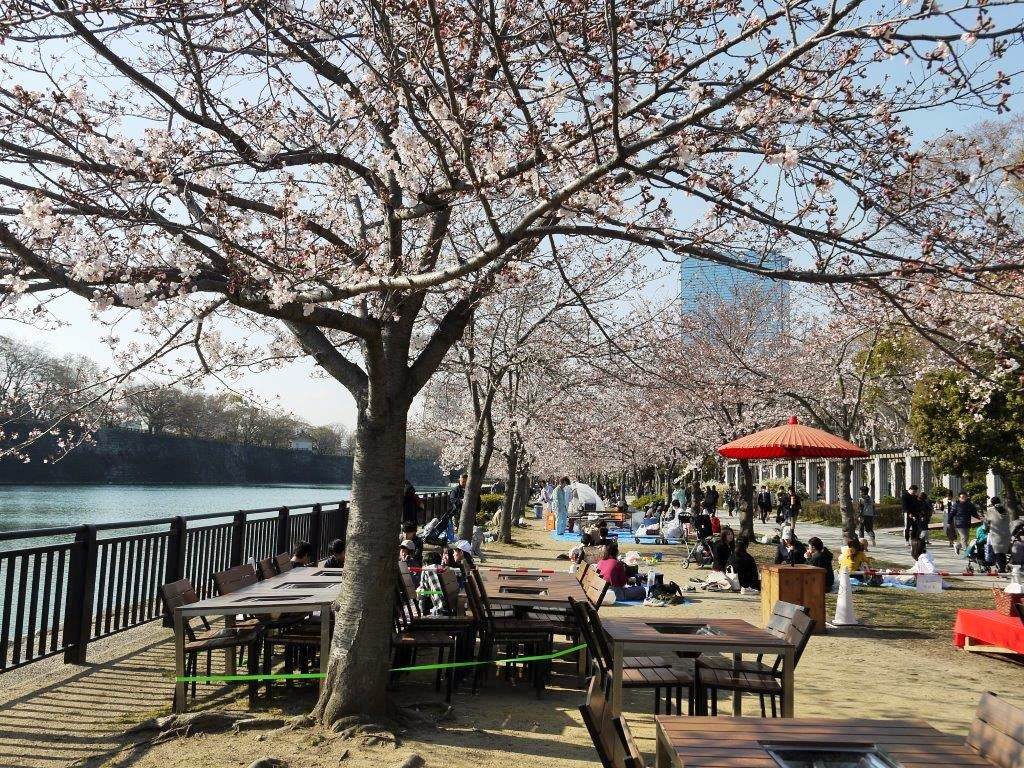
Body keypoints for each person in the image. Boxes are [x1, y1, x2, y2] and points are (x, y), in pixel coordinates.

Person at [985, 496, 1011, 572]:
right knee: (1003, 553)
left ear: (992, 503)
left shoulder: (991, 511)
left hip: (996, 534)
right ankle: (1003, 567)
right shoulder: (1006, 510)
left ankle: (1002, 569)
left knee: (998, 553)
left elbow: (986, 523)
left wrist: (985, 528)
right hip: (1006, 534)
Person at [448, 474, 467, 540]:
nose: (463, 483)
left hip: (467, 514)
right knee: (456, 530)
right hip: (457, 513)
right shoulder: (456, 489)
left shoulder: (470, 489)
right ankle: (456, 545)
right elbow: (452, 499)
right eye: (462, 481)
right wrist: (461, 500)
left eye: (465, 481)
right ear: (459, 480)